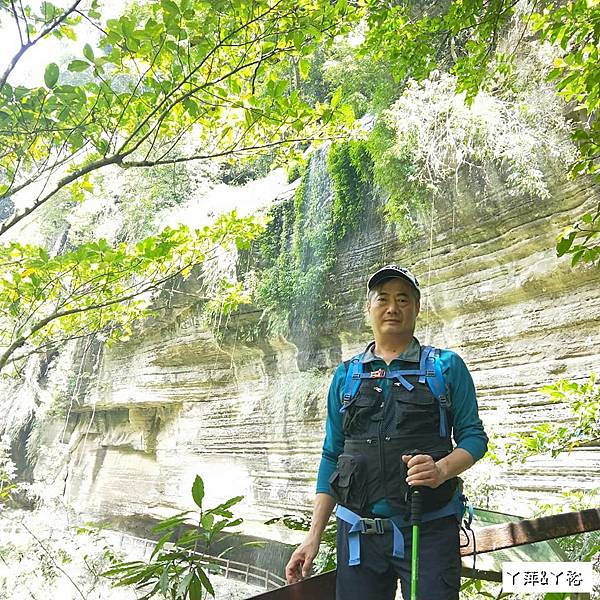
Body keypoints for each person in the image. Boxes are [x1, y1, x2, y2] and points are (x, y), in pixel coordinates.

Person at [285, 265, 488, 600]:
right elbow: (332, 455)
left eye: (403, 299)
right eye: (383, 299)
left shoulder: (446, 367)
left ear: (417, 308)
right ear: (369, 308)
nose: (393, 307)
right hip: (358, 537)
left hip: (428, 531)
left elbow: (474, 438)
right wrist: (313, 536)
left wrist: (441, 470)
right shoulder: (346, 376)